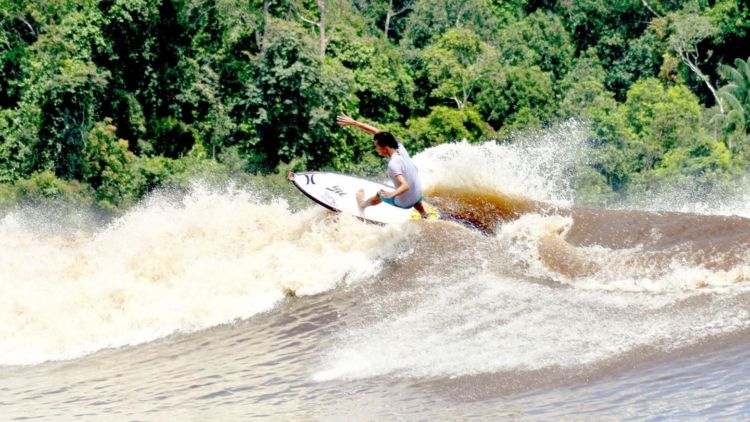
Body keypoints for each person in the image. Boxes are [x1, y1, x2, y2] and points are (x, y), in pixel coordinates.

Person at [336, 114, 428, 218]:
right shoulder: (399, 147)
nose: (376, 148)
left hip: (404, 202)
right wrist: (355, 123)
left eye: (377, 146)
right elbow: (377, 132)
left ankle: (362, 205)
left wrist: (392, 194)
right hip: (418, 194)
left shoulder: (393, 164)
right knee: (412, 172)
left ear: (384, 148)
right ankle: (424, 214)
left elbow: (405, 186)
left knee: (380, 193)